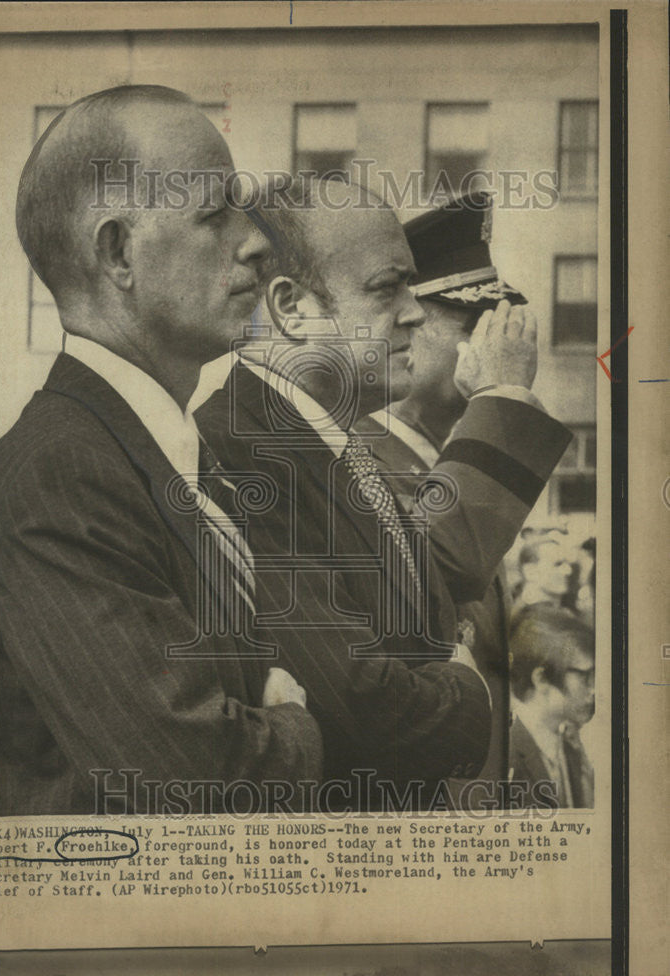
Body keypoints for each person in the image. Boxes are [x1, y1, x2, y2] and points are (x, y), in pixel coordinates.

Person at [0, 85, 323, 817]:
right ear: (118, 251)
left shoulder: (163, 459)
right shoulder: (58, 476)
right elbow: (191, 779)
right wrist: (298, 729)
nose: (256, 241)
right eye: (212, 213)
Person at [194, 178, 572, 807]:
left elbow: (419, 583)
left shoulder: (319, 441)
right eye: (386, 288)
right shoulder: (243, 456)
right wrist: (468, 683)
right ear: (291, 308)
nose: (416, 312)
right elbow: (363, 705)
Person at [356, 192, 529, 785]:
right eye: (473, 323)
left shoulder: (443, 458)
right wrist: (503, 402)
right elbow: (431, 571)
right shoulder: (357, 456)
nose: (494, 344)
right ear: (405, 323)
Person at [508, 605, 595, 808]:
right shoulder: (505, 758)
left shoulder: (569, 748)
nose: (593, 690)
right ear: (541, 679)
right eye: (585, 677)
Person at [513, 535, 574, 622]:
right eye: (558, 564)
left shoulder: (561, 615)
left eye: (568, 564)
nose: (568, 571)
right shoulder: (525, 620)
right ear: (530, 571)